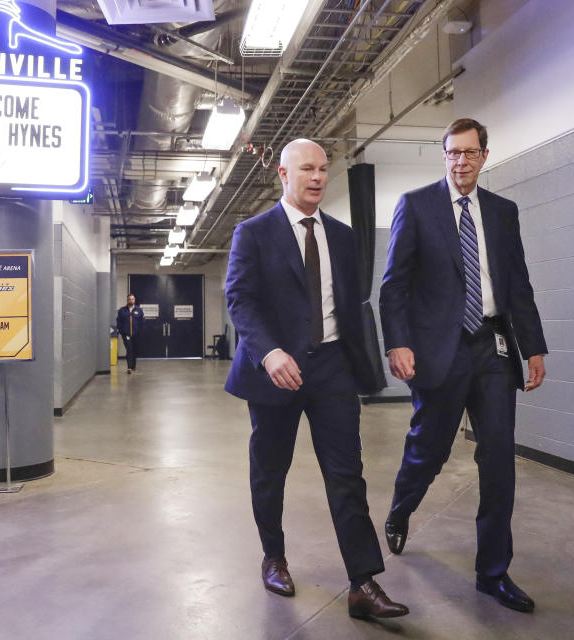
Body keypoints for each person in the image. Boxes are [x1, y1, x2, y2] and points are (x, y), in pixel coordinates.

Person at [224, 138, 408, 620]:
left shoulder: (344, 237)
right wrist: (268, 353)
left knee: (347, 473)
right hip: (274, 371)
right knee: (270, 469)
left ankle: (362, 582)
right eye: (307, 169)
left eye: (324, 169)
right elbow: (240, 300)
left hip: (330, 367)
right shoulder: (253, 232)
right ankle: (273, 557)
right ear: (284, 175)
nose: (318, 177)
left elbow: (350, 305)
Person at [379, 118, 547, 613]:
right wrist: (398, 344)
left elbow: (517, 283)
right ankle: (401, 506)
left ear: (484, 156)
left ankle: (492, 572)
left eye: (470, 153)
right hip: (438, 350)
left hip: (492, 345)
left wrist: (533, 346)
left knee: (497, 459)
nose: (461, 162)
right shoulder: (416, 205)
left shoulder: (501, 212)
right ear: (444, 155)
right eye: (453, 153)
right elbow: (393, 287)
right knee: (428, 450)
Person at [116, 294, 144, 374]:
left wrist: (139, 332)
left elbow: (142, 322)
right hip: (126, 335)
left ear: (134, 300)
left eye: (132, 299)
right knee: (129, 350)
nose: (131, 300)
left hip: (136, 335)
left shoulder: (139, 310)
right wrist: (122, 332)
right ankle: (129, 368)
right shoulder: (122, 310)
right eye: (129, 299)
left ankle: (133, 367)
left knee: (135, 351)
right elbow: (118, 322)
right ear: (127, 300)